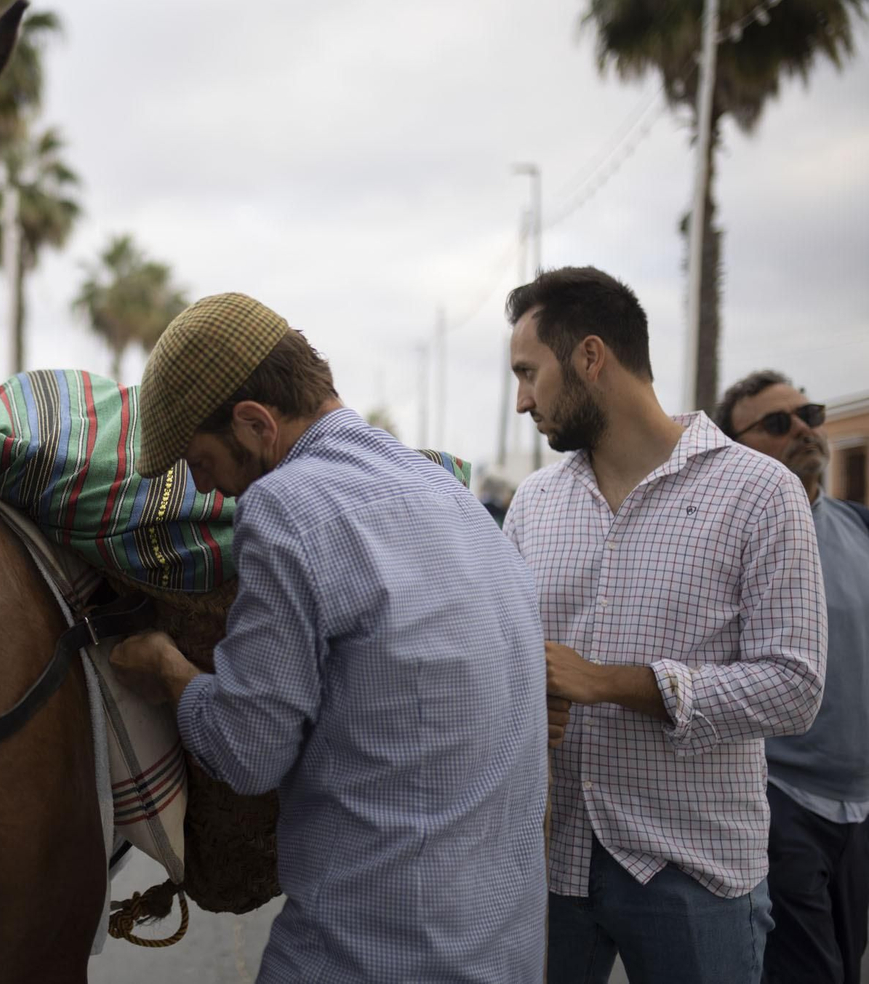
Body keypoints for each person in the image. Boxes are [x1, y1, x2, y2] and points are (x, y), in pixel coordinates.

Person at [108, 293, 548, 982]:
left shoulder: (287, 506)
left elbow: (248, 751)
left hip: (366, 955)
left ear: (255, 422)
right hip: (503, 952)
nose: (204, 489)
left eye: (199, 459)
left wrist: (169, 669)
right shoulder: (455, 498)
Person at [501, 268, 826, 984]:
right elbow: (517, 654)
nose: (522, 400)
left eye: (529, 373)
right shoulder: (533, 502)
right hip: (551, 862)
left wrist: (614, 683)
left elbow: (795, 687)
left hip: (694, 871)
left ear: (591, 358)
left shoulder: (760, 491)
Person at [715, 371, 869, 984]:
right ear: (736, 448)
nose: (804, 429)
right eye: (778, 423)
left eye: (809, 412)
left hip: (858, 807)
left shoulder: (859, 527)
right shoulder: (739, 535)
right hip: (784, 801)